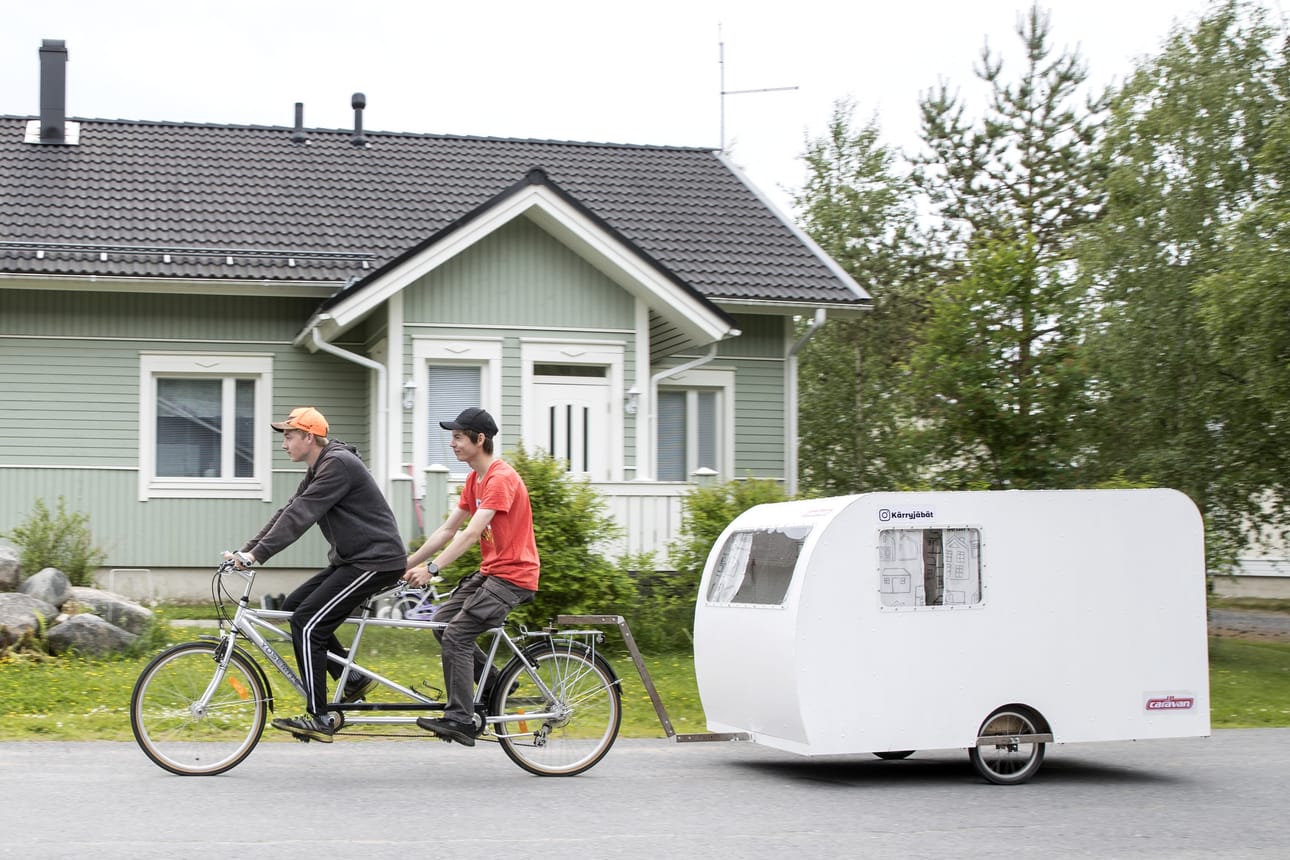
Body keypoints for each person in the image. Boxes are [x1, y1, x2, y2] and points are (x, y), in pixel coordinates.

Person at [227, 406, 407, 743]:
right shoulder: (322, 465)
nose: (284, 444)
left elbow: (302, 516)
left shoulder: (337, 464)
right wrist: (248, 551)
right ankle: (350, 679)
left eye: (289, 436)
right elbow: (289, 510)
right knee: (295, 607)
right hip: (354, 560)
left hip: (376, 562)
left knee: (307, 625)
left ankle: (321, 717)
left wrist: (257, 555)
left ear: (309, 437)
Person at [404, 407, 539, 746]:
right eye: (452, 437)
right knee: (441, 623)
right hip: (492, 572)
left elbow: (469, 534)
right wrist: (407, 562)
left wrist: (433, 569)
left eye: (458, 437)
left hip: (513, 577)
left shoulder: (500, 478)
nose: (452, 444)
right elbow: (448, 529)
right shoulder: (474, 479)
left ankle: (461, 719)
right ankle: (494, 682)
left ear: (480, 440)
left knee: (457, 636)